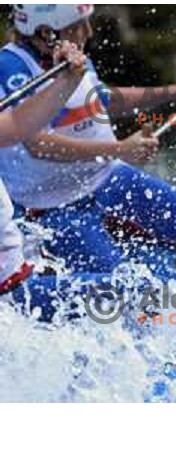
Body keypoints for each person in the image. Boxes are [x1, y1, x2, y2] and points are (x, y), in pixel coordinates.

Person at [0, 4, 176, 276]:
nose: (88, 32)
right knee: (121, 282)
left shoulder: (71, 56)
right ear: (46, 32)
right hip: (52, 207)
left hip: (108, 178)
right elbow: (37, 144)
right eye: (78, 26)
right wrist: (119, 149)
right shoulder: (9, 67)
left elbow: (101, 100)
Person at [0, 40, 113, 322]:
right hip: (14, 298)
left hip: (16, 291)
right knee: (131, 293)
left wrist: (68, 78)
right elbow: (27, 133)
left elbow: (19, 125)